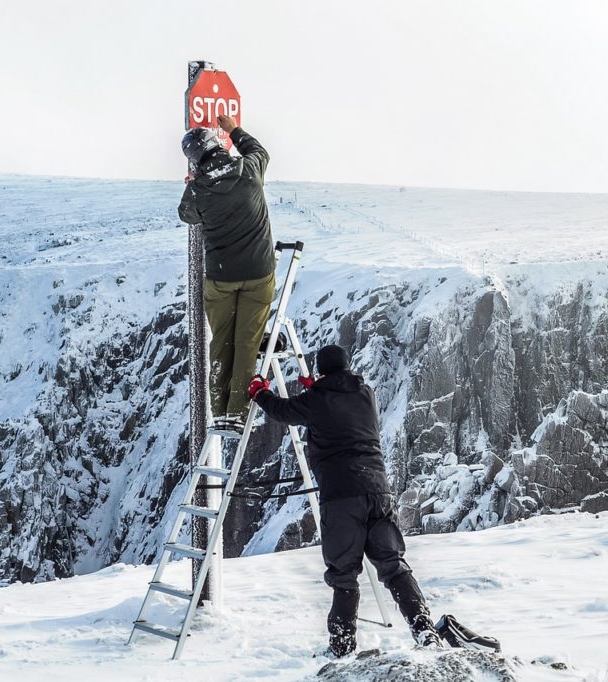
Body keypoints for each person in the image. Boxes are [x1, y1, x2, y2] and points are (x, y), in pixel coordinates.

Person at [247, 345, 441, 657]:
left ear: (320, 371)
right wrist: (318, 388)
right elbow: (337, 400)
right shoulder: (365, 394)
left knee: (344, 575)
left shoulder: (315, 402)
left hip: (341, 496)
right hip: (378, 490)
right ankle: (424, 629)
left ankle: (342, 647)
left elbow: (282, 411)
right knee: (393, 566)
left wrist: (259, 392)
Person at [178, 113, 275, 431]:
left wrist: (193, 185)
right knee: (247, 342)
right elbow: (260, 151)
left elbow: (186, 215)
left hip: (221, 277)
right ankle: (236, 412)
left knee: (221, 342)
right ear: (218, 145)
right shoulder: (249, 170)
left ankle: (218, 411)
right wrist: (234, 130)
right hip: (258, 271)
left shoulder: (199, 190)